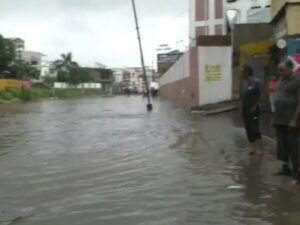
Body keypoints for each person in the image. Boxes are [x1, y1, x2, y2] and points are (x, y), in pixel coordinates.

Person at [273, 60, 300, 182]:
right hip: (279, 119)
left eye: (282, 70)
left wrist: (295, 119)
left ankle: (296, 171)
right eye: (279, 70)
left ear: (290, 69)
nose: (280, 72)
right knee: (282, 146)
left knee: (292, 145)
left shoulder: (297, 81)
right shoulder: (281, 81)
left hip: (290, 119)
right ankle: (285, 168)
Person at [241, 65, 263, 155]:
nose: (241, 74)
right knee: (248, 128)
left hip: (254, 110)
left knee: (255, 128)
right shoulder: (245, 84)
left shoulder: (256, 82)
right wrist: (241, 108)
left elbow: (261, 95)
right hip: (245, 110)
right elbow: (243, 98)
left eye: (242, 72)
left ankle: (259, 148)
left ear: (247, 72)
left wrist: (255, 106)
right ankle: (252, 147)